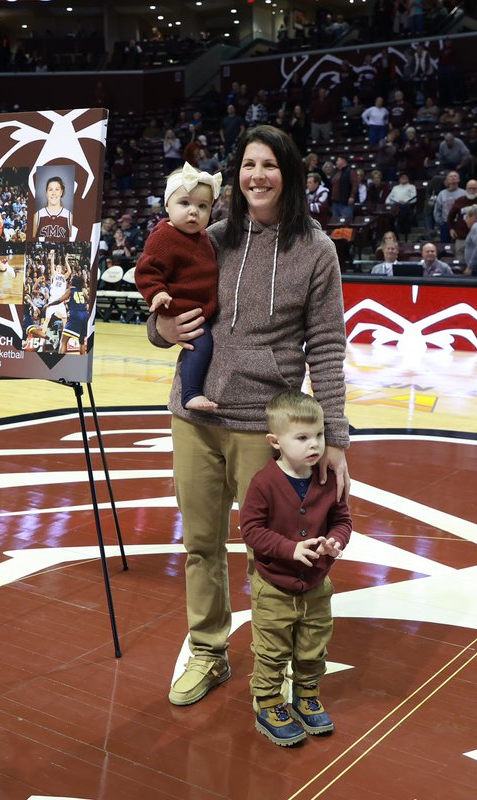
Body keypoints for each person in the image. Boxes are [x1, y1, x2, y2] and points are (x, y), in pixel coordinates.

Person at [149, 125, 350, 708]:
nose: (256, 175)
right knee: (201, 545)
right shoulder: (208, 236)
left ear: (289, 174)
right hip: (194, 416)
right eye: (247, 164)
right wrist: (159, 331)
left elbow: (328, 345)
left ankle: (277, 659)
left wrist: (334, 436)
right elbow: (165, 304)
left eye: (269, 165)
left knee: (276, 549)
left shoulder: (317, 250)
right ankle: (209, 652)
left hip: (264, 425)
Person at [241, 390, 351, 746]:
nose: (314, 445)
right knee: (271, 650)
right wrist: (290, 549)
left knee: (313, 645)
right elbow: (251, 531)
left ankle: (306, 694)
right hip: (273, 585)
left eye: (318, 435)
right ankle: (269, 702)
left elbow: (342, 520)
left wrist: (335, 541)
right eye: (302, 438)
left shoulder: (328, 478)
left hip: (317, 585)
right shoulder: (264, 482)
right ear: (275, 441)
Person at [135, 163, 223, 411]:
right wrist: (158, 293)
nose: (194, 212)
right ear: (167, 206)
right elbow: (146, 271)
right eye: (184, 204)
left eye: (202, 206)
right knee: (201, 343)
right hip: (182, 308)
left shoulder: (203, 236)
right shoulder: (164, 236)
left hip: (199, 307)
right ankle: (191, 393)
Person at [34, 176, 77, 243]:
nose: (53, 193)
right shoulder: (37, 215)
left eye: (57, 189)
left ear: (61, 192)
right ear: (46, 192)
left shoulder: (69, 216)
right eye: (50, 189)